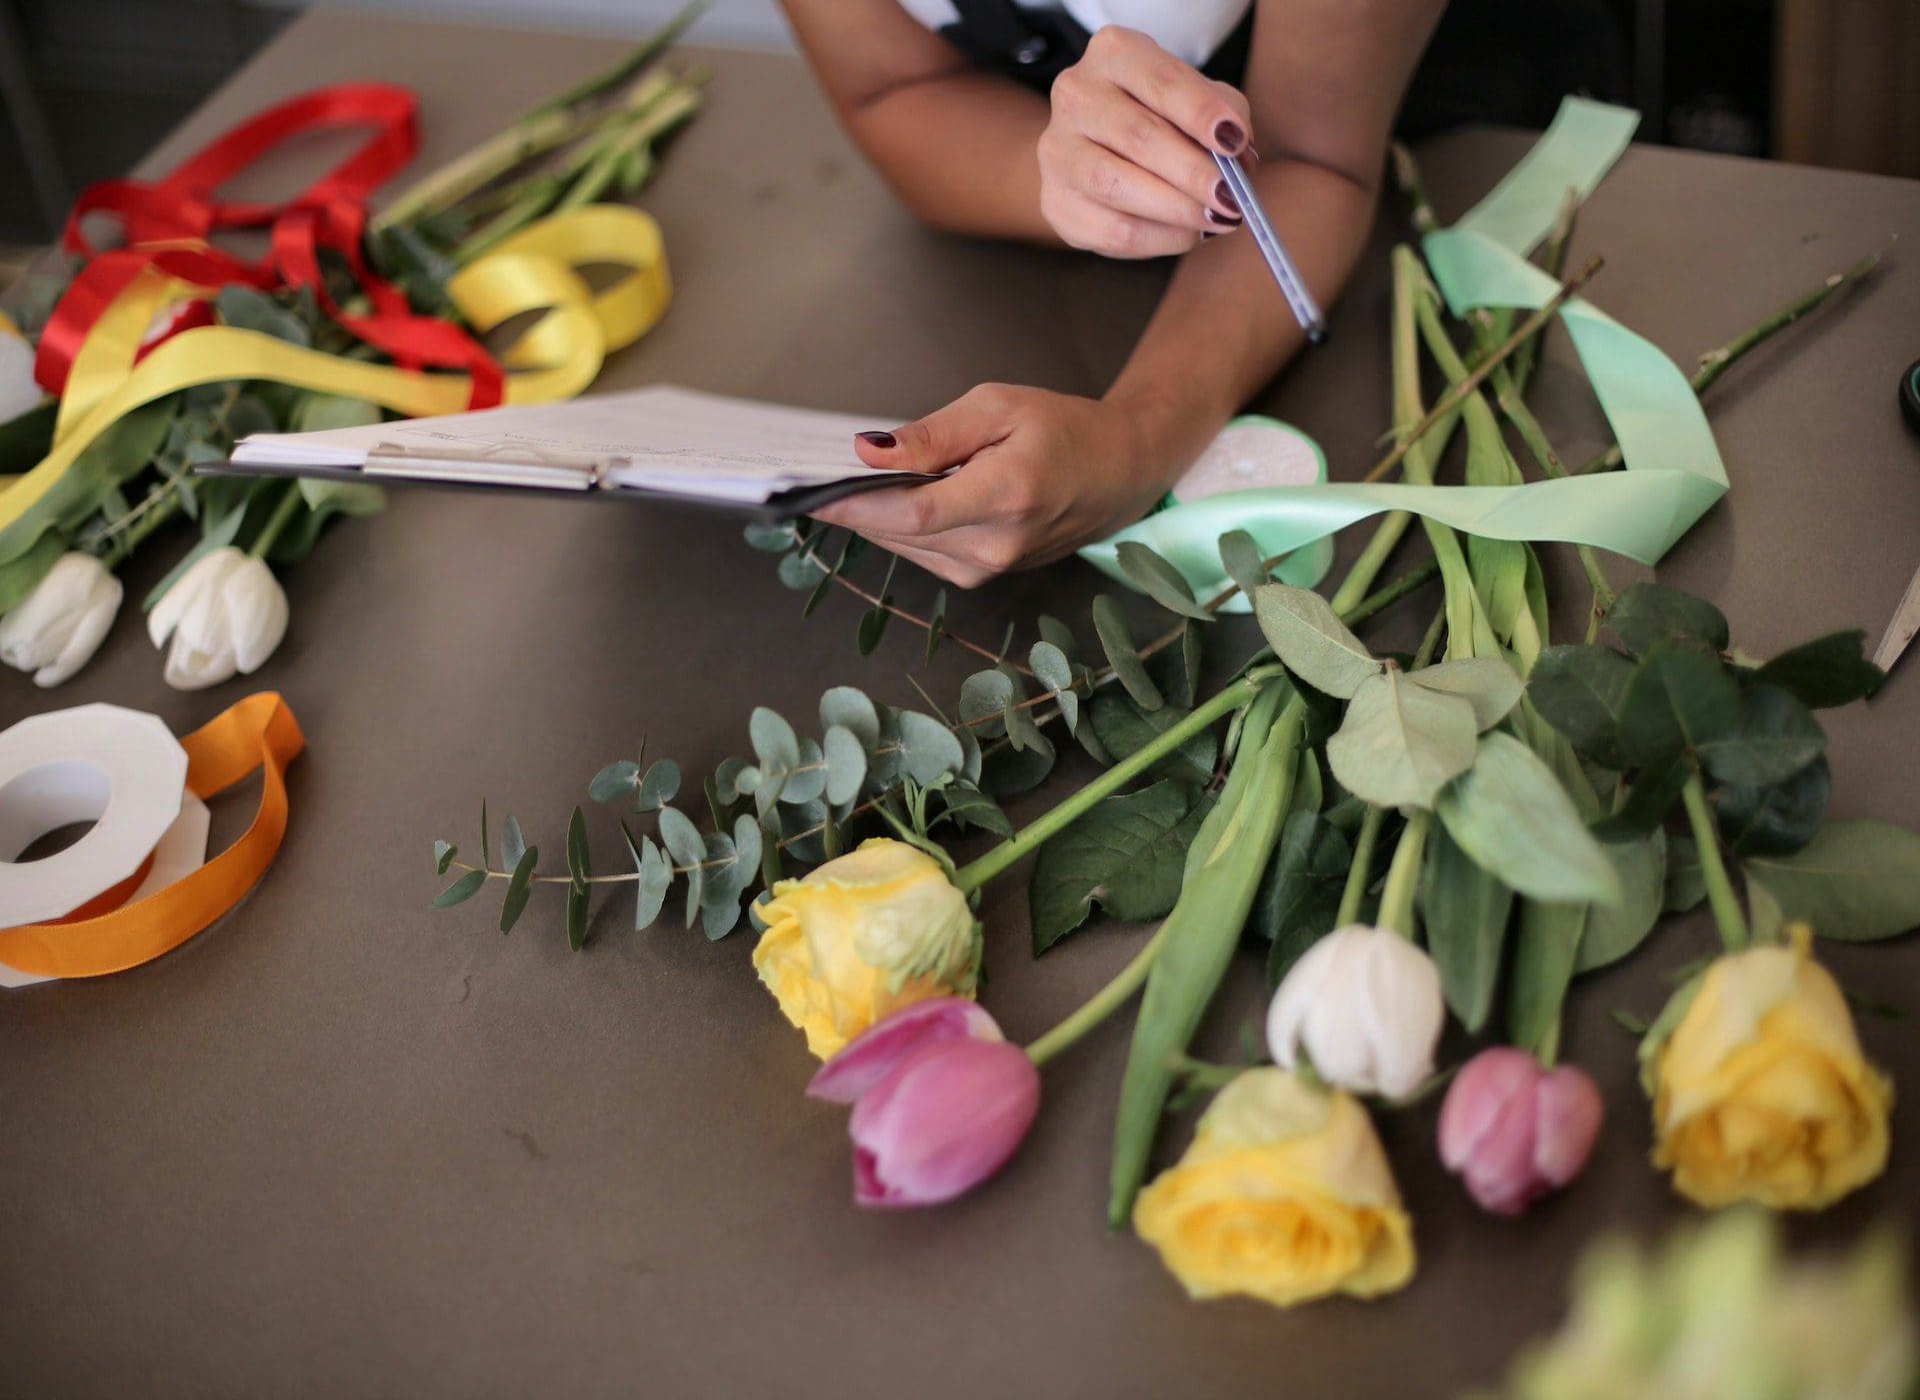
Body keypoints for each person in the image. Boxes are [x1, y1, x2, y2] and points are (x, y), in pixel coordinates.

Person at [777, 0, 1451, 587]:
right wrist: (1073, 178)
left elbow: (1312, 155)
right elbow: (894, 91)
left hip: (1446, 121)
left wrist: (1142, 432)